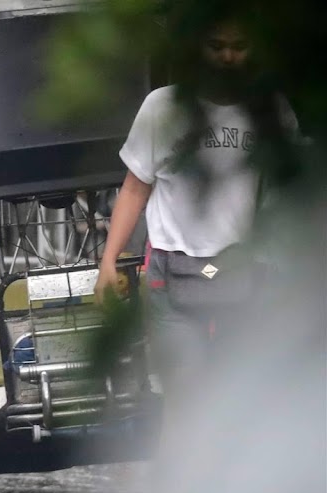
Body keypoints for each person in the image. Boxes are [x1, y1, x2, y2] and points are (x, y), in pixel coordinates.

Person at [93, 3, 298, 394]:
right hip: (172, 274)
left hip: (248, 271)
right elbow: (136, 187)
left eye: (239, 45)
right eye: (216, 45)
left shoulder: (271, 109)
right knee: (183, 398)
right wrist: (108, 260)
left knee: (246, 396)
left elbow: (289, 193)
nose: (227, 56)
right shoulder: (162, 108)